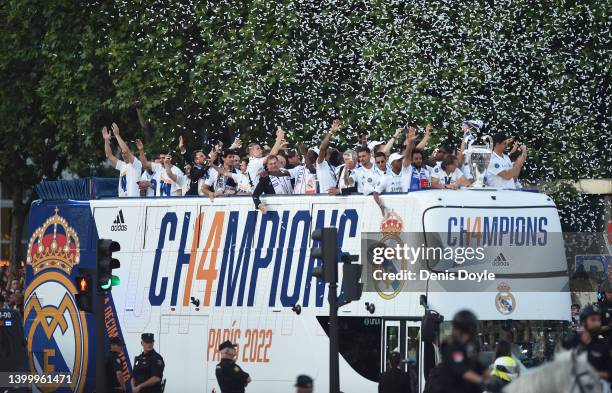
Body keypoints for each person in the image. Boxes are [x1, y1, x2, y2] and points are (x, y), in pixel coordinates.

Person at [437, 310, 486, 393]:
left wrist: (491, 377)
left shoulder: (471, 344)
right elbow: (461, 369)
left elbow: (477, 364)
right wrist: (482, 381)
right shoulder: (451, 346)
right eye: (471, 327)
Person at [567, 304, 612, 391]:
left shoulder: (604, 345)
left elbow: (609, 372)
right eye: (593, 320)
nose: (597, 323)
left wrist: (598, 375)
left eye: (599, 320)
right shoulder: (571, 343)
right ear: (583, 322)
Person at [102, 123, 142, 197]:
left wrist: (117, 135)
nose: (123, 155)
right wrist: (106, 140)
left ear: (132, 152)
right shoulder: (122, 165)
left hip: (133, 200)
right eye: (122, 153)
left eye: (125, 153)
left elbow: (126, 150)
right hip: (122, 200)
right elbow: (109, 155)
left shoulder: (137, 163)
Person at [316, 119, 341, 194]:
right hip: (324, 199)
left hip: (336, 199)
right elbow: (322, 148)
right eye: (332, 147)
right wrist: (331, 132)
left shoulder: (336, 167)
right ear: (328, 150)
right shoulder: (321, 164)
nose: (334, 149)